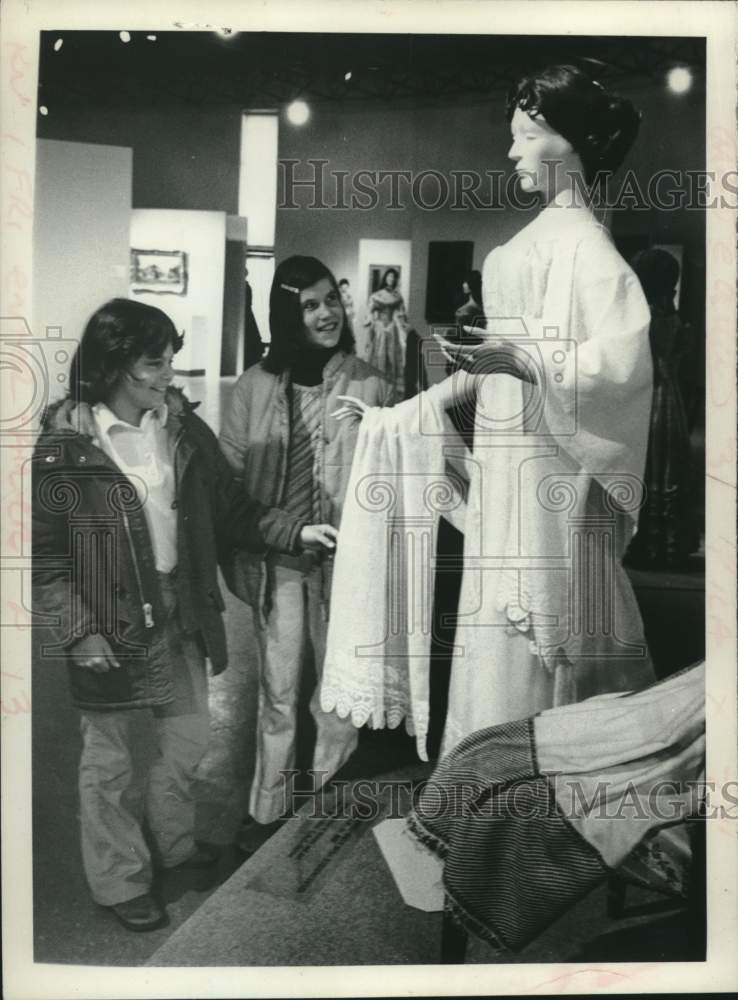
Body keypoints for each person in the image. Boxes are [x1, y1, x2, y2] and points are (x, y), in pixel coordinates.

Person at [333, 65, 656, 756]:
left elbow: (622, 368)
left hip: (551, 496)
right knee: (491, 645)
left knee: (539, 649)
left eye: (527, 136)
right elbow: (493, 374)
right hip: (507, 482)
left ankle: (532, 798)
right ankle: (485, 790)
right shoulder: (535, 241)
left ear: (570, 143)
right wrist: (400, 415)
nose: (513, 152)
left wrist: (526, 358)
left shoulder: (593, 254)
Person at [32, 298, 337, 931]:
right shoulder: (66, 449)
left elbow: (232, 507)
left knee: (189, 740)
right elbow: (47, 559)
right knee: (109, 762)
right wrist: (79, 631)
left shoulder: (180, 427)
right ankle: (119, 879)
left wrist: (296, 531)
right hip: (109, 623)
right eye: (155, 362)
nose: (169, 373)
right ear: (113, 367)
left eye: (171, 358)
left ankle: (172, 844)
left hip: (180, 609)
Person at [219, 255, 395, 854]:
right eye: (309, 305)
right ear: (286, 315)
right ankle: (268, 807)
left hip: (348, 564)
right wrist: (286, 532)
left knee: (339, 695)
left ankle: (325, 807)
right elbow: (231, 484)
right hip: (280, 559)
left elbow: (392, 479)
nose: (326, 314)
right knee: (279, 690)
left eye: (330, 300)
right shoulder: (254, 386)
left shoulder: (372, 383)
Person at [625, 248, 696, 569]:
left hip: (650, 395)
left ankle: (647, 545)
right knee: (666, 467)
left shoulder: (645, 315)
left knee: (650, 464)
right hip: (671, 397)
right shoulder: (671, 313)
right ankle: (667, 544)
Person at [363, 266, 409, 400]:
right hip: (379, 329)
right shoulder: (377, 295)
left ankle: (390, 392)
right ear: (385, 278)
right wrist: (371, 321)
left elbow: (401, 314)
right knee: (378, 356)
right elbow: (369, 310)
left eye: (393, 277)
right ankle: (377, 391)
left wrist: (402, 325)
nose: (391, 279)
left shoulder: (397, 296)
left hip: (392, 329)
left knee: (392, 359)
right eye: (389, 276)